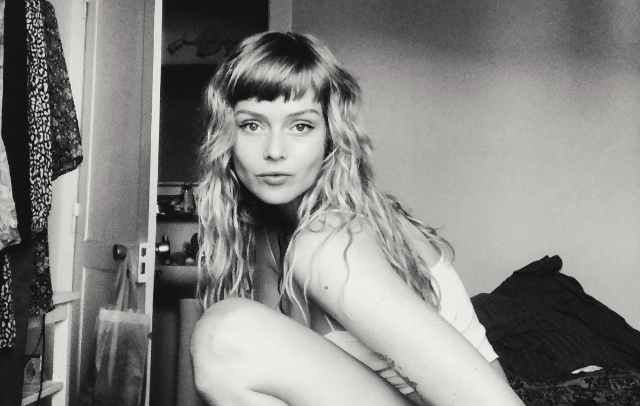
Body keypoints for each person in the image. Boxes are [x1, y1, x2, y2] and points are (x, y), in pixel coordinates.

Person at [191, 31, 524, 406]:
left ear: (330, 137)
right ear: (225, 135)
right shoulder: (269, 238)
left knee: (225, 336)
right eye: (252, 125)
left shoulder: (332, 239)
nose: (274, 150)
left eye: (301, 126)